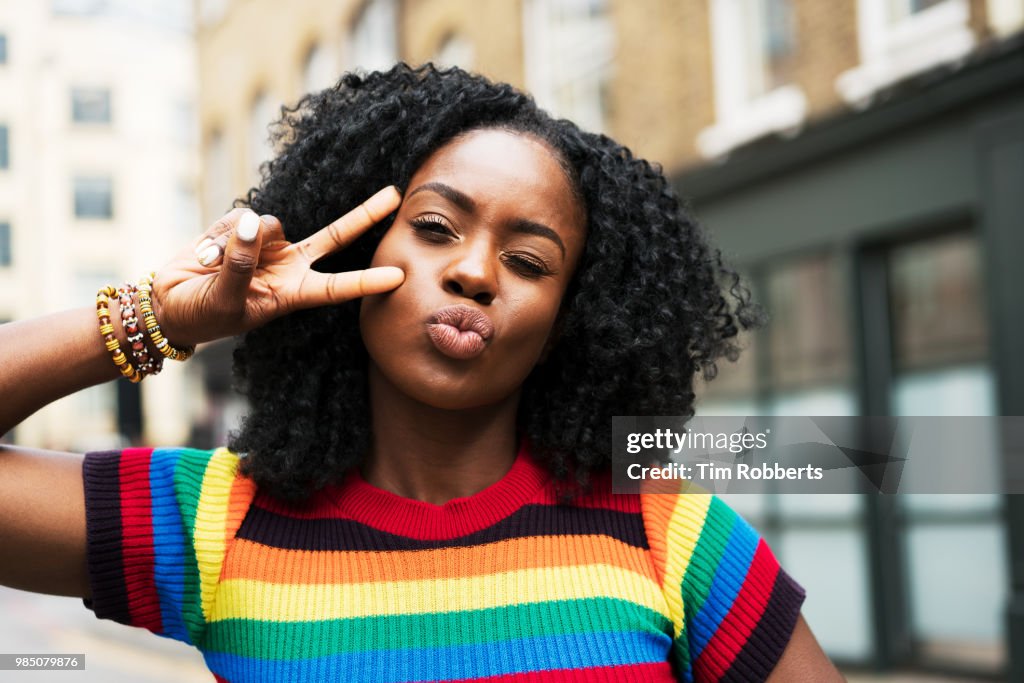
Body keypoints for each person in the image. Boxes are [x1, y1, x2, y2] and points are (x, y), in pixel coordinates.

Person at [0, 64, 843, 682]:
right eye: (436, 226)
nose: (476, 272)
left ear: (568, 324)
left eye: (527, 259)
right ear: (364, 250)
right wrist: (164, 315)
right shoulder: (212, 520)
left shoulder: (672, 533)